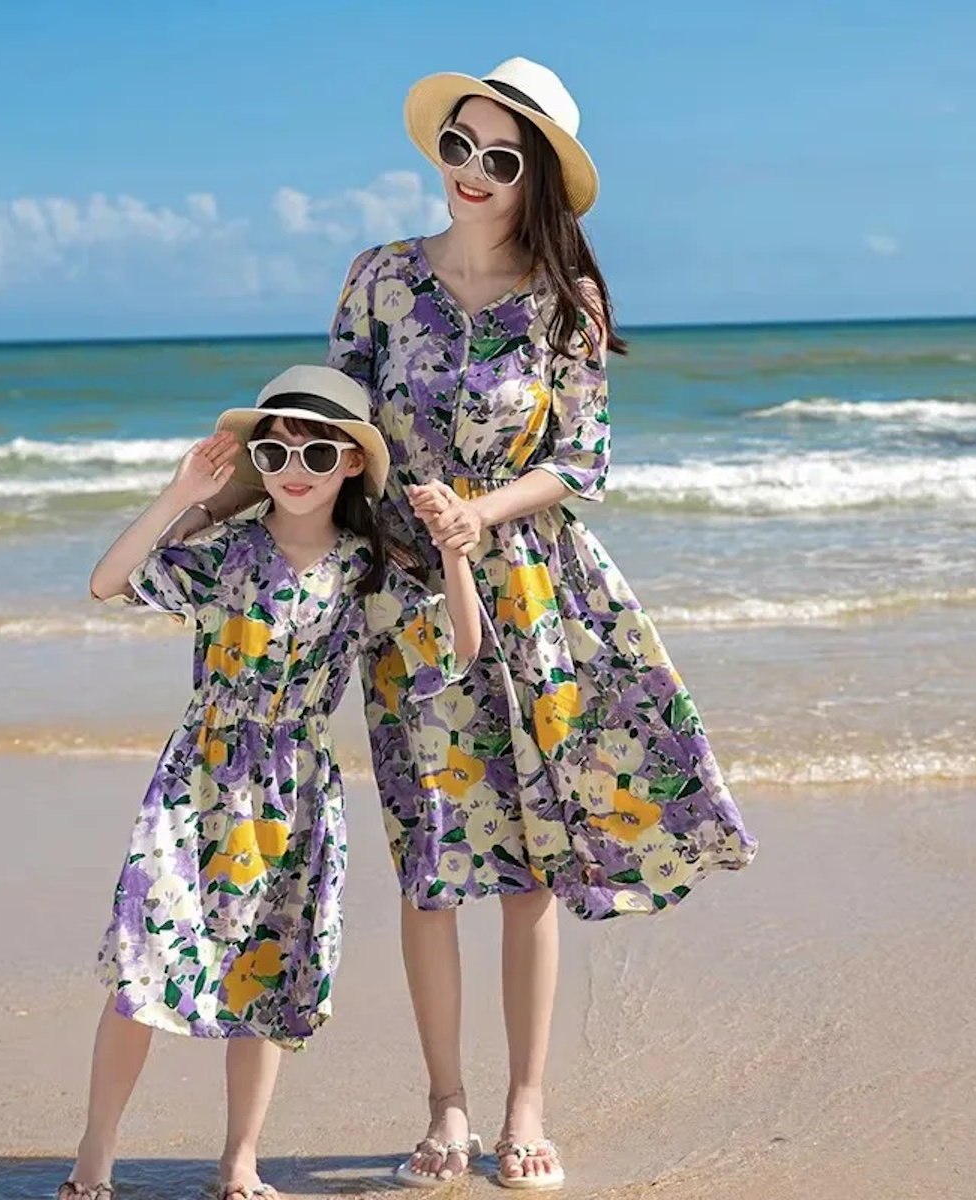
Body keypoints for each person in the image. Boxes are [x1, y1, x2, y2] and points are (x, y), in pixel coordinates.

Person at [324, 58, 757, 1191]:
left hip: (533, 593)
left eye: (498, 158)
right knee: (429, 865)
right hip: (408, 601)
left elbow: (583, 461)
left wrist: (480, 511)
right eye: (457, 147)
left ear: (536, 180)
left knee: (523, 866)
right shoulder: (378, 278)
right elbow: (341, 429)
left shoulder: (567, 302)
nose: (470, 171)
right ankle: (445, 1108)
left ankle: (525, 1103)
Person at [58, 365, 482, 1200]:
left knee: (266, 976)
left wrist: (456, 555)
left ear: (352, 465)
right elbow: (108, 582)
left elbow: (460, 651)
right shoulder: (224, 553)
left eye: (319, 451)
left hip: (297, 796)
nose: (296, 466)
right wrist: (183, 491)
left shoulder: (368, 573)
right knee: (143, 970)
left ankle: (240, 1163)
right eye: (278, 447)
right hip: (199, 778)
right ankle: (94, 1156)